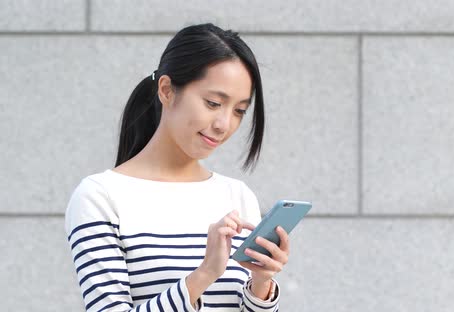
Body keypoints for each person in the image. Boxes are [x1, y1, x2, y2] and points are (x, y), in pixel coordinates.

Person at [64, 23, 289, 312]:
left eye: (238, 111)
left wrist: (261, 283)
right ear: (167, 90)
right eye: (213, 103)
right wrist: (204, 275)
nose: (224, 124)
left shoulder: (237, 196)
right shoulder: (101, 196)